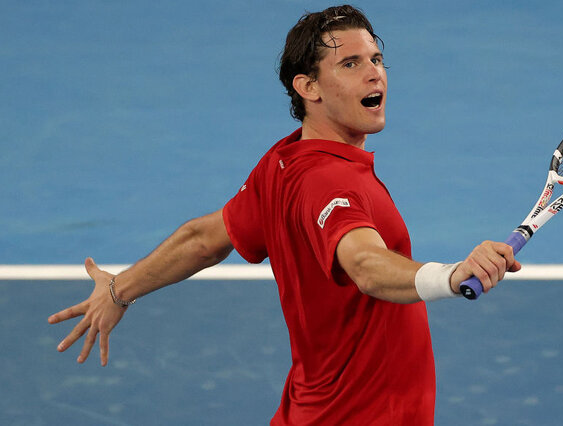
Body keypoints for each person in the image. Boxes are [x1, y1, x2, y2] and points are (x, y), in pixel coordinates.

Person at [48, 5, 521, 425]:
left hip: (310, 410)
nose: (374, 74)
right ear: (308, 86)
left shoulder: (284, 163)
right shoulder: (331, 183)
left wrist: (119, 290)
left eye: (376, 59)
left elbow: (205, 238)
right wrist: (452, 275)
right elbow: (366, 265)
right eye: (351, 64)